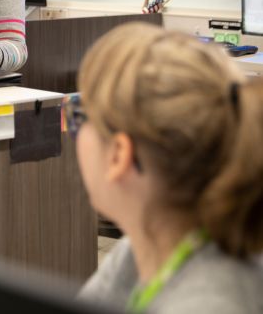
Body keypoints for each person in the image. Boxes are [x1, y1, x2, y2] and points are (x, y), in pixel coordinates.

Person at [71, 23, 263, 313]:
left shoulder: (210, 304)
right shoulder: (142, 249)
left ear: (119, 155)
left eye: (80, 116)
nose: (75, 130)